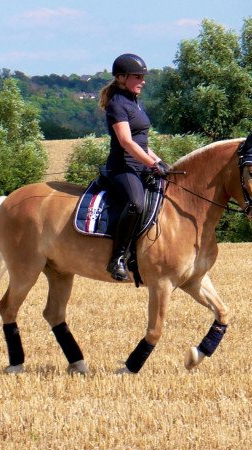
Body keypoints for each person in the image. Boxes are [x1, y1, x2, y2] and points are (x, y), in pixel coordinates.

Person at [98, 53, 170, 281]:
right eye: (138, 76)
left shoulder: (134, 102)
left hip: (140, 166)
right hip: (122, 168)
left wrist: (158, 162)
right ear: (121, 77)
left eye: (143, 76)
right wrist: (151, 163)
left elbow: (141, 142)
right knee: (136, 204)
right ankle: (117, 258)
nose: (143, 80)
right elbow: (126, 142)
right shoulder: (117, 104)